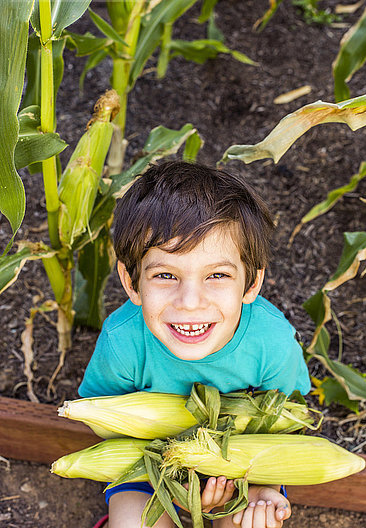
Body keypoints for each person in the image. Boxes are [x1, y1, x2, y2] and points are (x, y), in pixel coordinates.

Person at [79, 160, 311, 528]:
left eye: (217, 275)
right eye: (166, 275)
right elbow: (105, 421)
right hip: (150, 467)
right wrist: (178, 476)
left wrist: (261, 486)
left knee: (251, 523)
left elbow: (288, 420)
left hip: (244, 466)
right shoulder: (122, 341)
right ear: (131, 282)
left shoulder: (271, 342)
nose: (189, 302)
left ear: (251, 284)